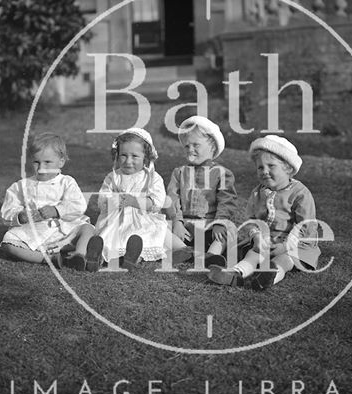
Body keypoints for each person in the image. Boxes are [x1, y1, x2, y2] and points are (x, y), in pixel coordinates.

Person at [207, 135, 321, 290]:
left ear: (288, 168)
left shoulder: (300, 193)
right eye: (260, 167)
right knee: (253, 254)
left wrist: (285, 246)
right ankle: (236, 274)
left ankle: (269, 277)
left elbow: (305, 226)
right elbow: (252, 219)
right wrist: (257, 237)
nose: (264, 171)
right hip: (266, 241)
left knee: (285, 260)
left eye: (271, 166)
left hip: (295, 244)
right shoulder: (258, 192)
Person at [69, 128, 177, 271]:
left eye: (134, 156)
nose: (128, 161)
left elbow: (156, 202)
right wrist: (111, 201)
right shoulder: (113, 176)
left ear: (145, 157)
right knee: (106, 237)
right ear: (117, 156)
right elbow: (103, 199)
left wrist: (134, 201)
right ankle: (96, 257)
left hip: (142, 218)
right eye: (123, 155)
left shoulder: (152, 178)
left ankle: (132, 258)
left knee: (146, 235)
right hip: (116, 219)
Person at [0, 132, 89, 265]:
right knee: (8, 243)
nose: (41, 168)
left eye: (47, 162)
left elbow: (79, 205)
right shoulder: (22, 185)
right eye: (36, 162)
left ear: (61, 162)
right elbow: (7, 210)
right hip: (35, 234)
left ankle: (80, 254)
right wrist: (20, 216)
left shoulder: (66, 182)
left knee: (87, 228)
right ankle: (49, 259)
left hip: (65, 231)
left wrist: (56, 210)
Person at [166, 115, 238, 262]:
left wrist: (219, 223)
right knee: (159, 225)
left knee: (229, 229)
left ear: (212, 146)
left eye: (196, 145)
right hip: (184, 228)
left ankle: (211, 256)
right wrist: (177, 222)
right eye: (187, 146)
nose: (190, 149)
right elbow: (172, 198)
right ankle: (183, 250)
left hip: (209, 228)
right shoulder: (179, 173)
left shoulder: (222, 174)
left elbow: (227, 201)